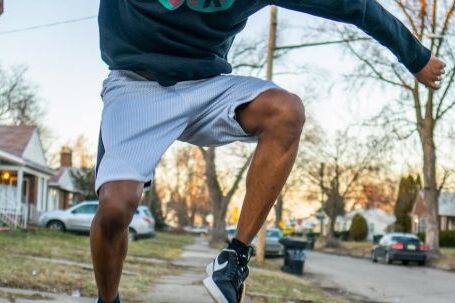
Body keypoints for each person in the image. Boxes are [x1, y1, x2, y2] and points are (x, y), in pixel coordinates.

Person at [91, 1, 445, 302]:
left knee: (285, 111)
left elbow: (354, 5)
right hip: (136, 85)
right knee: (116, 208)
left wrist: (415, 56)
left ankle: (234, 259)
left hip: (207, 86)